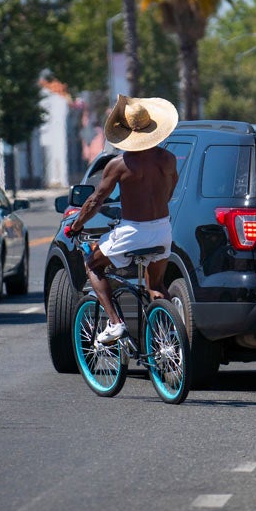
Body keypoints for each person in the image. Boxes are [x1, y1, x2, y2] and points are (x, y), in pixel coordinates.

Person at [66, 94, 179, 345]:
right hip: (162, 229)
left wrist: (76, 225)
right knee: (157, 284)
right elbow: (171, 189)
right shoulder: (168, 159)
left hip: (132, 231)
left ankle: (116, 324)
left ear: (126, 132)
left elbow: (96, 200)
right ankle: (171, 338)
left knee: (93, 265)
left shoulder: (119, 164)